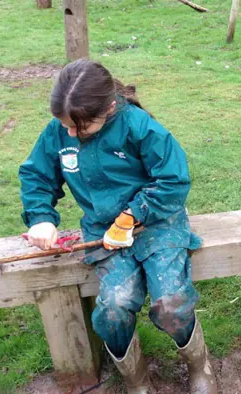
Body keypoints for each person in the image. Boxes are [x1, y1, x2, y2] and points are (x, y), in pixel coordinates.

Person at [19, 59, 217, 393]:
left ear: (109, 108)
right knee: (113, 308)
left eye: (80, 127)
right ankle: (136, 379)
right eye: (65, 125)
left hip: (158, 224)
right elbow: (37, 176)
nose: (70, 133)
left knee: (171, 303)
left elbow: (173, 180)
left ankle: (200, 367)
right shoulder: (59, 131)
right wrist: (40, 218)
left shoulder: (139, 126)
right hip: (102, 231)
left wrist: (132, 216)